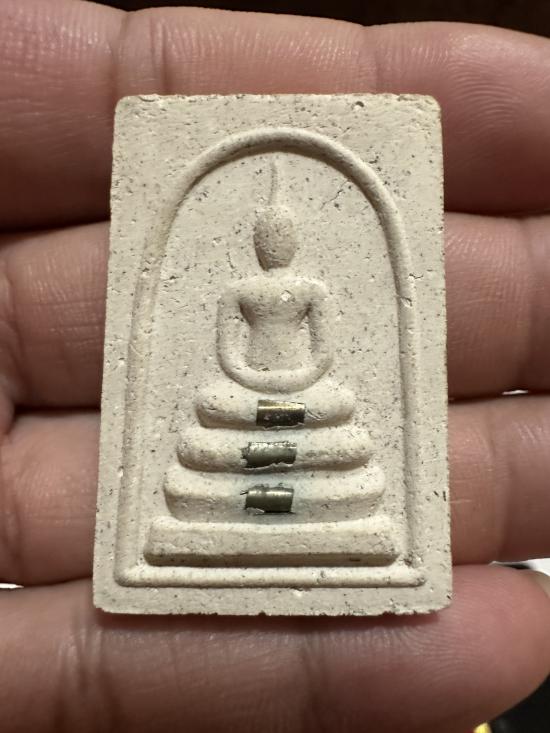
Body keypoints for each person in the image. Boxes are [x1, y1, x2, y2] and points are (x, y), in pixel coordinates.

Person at [0, 1, 549, 731]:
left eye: (281, 239)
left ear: (289, 243)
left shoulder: (311, 288)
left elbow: (326, 349)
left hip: (307, 389)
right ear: (260, 243)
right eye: (268, 239)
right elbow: (227, 347)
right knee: (207, 433)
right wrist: (252, 379)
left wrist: (296, 381)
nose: (274, 248)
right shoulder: (241, 289)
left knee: (344, 438)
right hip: (243, 388)